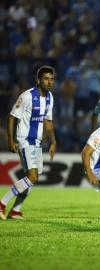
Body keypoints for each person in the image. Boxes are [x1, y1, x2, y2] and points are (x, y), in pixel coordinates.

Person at [0, 66, 56, 220]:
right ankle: (2, 203)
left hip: (37, 142)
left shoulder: (50, 97)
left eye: (52, 79)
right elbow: (11, 117)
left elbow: (48, 121)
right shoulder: (27, 96)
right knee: (32, 177)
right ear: (38, 80)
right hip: (24, 139)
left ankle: (15, 210)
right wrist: (10, 140)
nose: (49, 82)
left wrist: (53, 141)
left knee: (33, 177)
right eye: (46, 78)